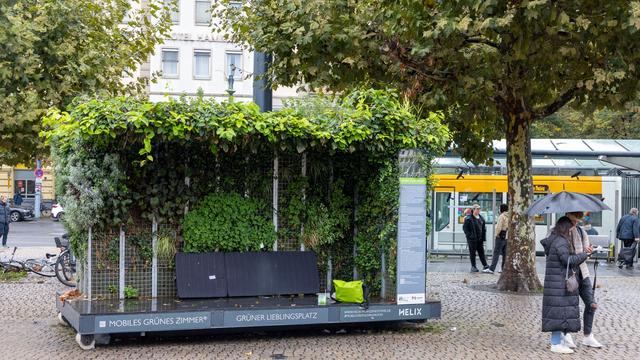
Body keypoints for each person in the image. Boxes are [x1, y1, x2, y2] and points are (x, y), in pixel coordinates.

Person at [541, 216, 592, 354]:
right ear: (565, 228)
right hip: (558, 284)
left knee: (560, 312)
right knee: (558, 312)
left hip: (556, 283)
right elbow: (567, 260)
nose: (572, 230)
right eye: (570, 228)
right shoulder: (561, 242)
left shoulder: (555, 239)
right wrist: (584, 255)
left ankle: (560, 341)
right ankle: (556, 344)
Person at [564, 211, 602, 349]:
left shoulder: (581, 232)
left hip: (583, 272)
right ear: (567, 216)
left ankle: (588, 336)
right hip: (569, 273)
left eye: (577, 221)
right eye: (573, 220)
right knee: (569, 306)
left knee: (592, 304)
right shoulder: (558, 231)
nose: (575, 223)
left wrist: (588, 251)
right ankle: (566, 334)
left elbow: (587, 253)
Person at [463, 204, 489, 272]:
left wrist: (483, 238)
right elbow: (465, 228)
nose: (478, 210)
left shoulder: (481, 218)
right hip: (472, 239)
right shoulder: (468, 218)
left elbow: (483, 229)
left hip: (479, 239)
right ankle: (473, 266)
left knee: (481, 252)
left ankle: (485, 265)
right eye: (477, 209)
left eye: (479, 209)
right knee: (472, 253)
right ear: (473, 210)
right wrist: (469, 236)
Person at [484, 203, 508, 274]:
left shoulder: (502, 216)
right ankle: (503, 269)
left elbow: (499, 227)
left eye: (499, 208)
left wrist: (496, 234)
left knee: (496, 253)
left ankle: (492, 269)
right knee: (505, 254)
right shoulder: (509, 216)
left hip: (500, 237)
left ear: (501, 209)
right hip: (507, 237)